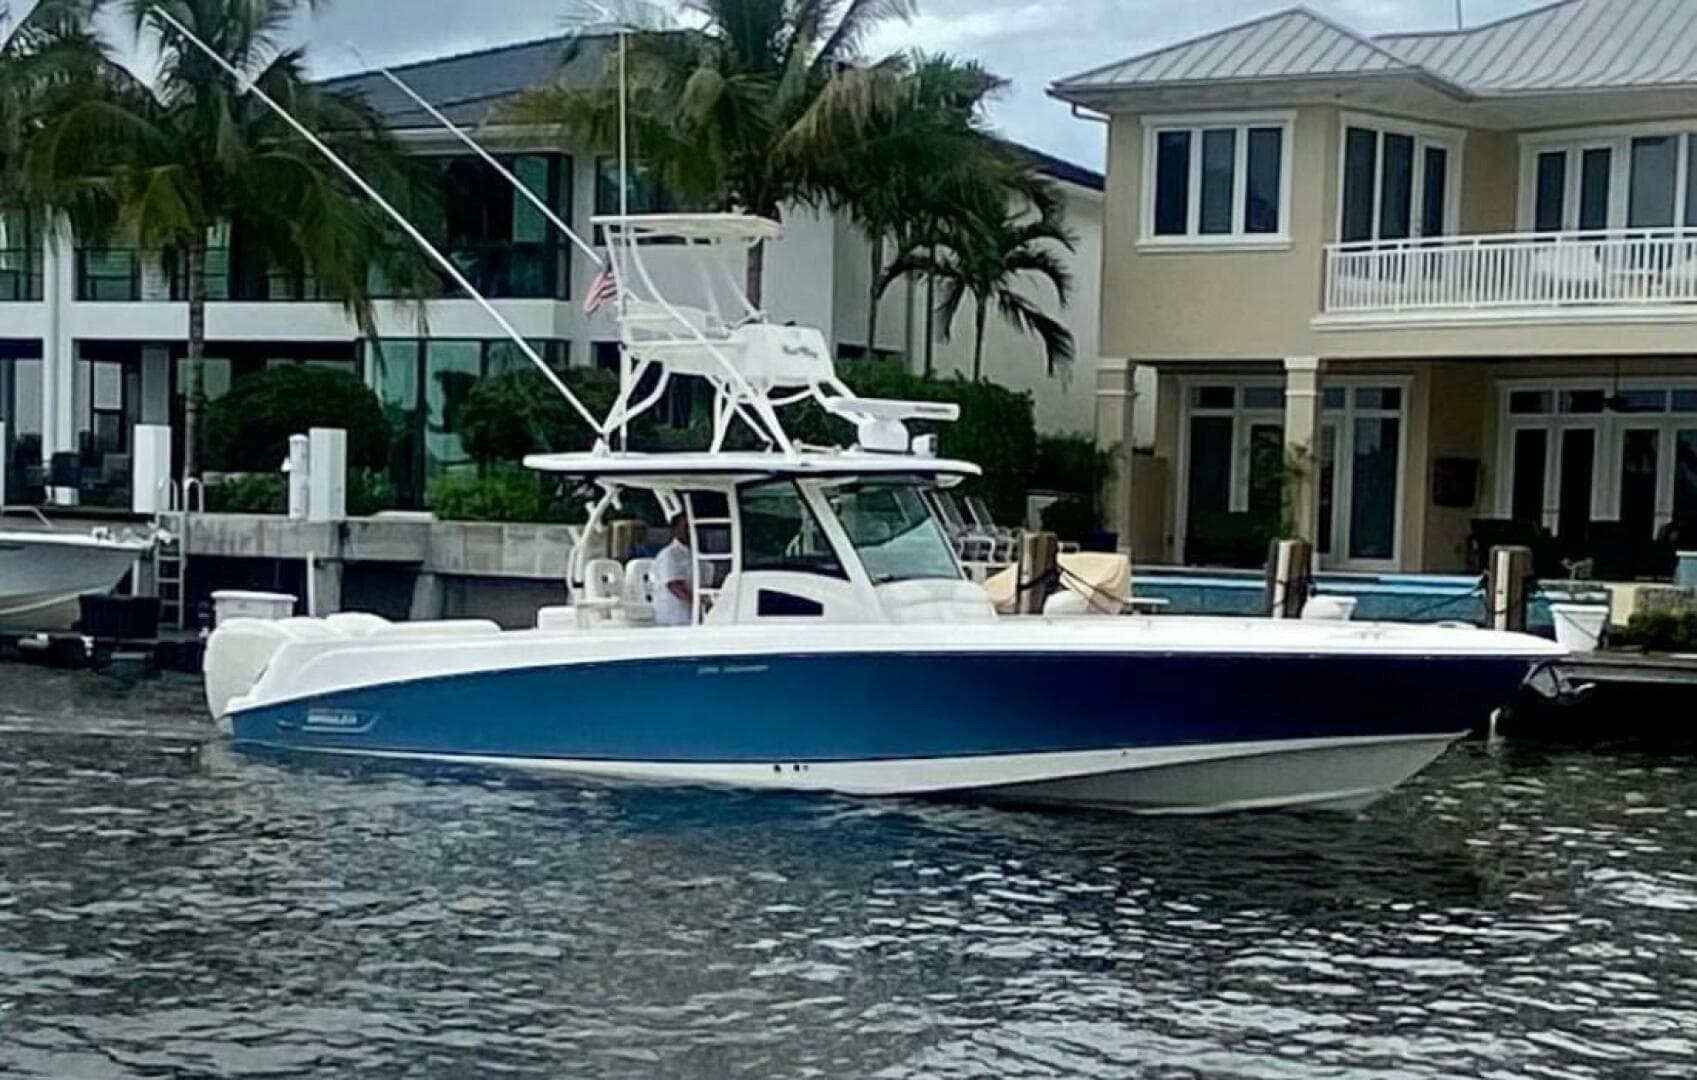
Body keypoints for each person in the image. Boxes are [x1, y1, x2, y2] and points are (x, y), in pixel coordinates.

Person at [653, 511, 694, 626]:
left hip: (691, 617)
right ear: (675, 529)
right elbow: (675, 586)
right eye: (686, 527)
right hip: (673, 618)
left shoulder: (694, 553)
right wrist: (699, 601)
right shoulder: (669, 555)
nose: (690, 531)